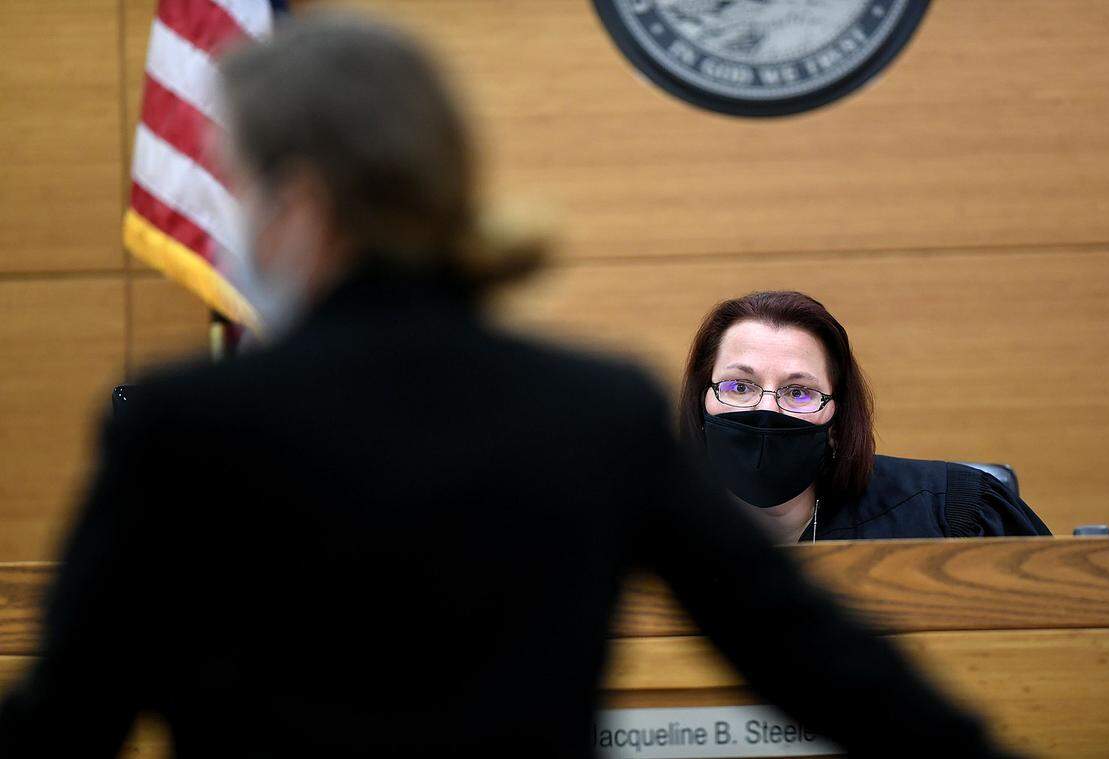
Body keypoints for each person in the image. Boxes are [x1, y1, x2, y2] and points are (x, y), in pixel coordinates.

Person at [0, 14, 1022, 758]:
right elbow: (817, 663)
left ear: (297, 204)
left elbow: (68, 719)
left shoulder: (182, 427)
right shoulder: (593, 410)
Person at [681, 290, 1052, 544]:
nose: (766, 409)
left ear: (836, 421)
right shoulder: (641, 529)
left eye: (798, 392)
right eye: (739, 387)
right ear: (701, 403)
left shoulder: (949, 514)